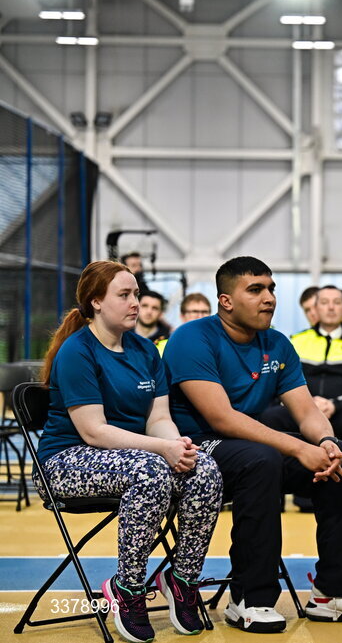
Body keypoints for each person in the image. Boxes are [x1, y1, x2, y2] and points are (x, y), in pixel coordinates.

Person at [163, 257, 342, 633]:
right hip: (196, 450)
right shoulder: (193, 338)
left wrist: (325, 442)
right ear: (226, 301)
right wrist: (298, 448)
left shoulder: (277, 344)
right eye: (255, 290)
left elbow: (305, 411)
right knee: (262, 459)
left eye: (271, 289)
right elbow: (222, 419)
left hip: (251, 450)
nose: (268, 298)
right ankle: (248, 598)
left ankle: (334, 592)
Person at [36, 260, 223, 642]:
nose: (135, 302)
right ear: (96, 303)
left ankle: (183, 579)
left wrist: (178, 445)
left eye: (136, 293)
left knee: (204, 468)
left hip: (132, 455)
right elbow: (95, 433)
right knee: (150, 471)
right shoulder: (78, 351)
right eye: (124, 295)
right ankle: (129, 588)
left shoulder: (145, 350)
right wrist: (163, 450)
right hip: (65, 463)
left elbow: (158, 417)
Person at [281, 286, 342, 511]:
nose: (331, 307)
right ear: (314, 309)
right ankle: (279, 495)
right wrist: (308, 404)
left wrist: (334, 404)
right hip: (303, 407)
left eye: (337, 302)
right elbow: (283, 384)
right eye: (324, 302)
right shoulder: (297, 340)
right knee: (272, 415)